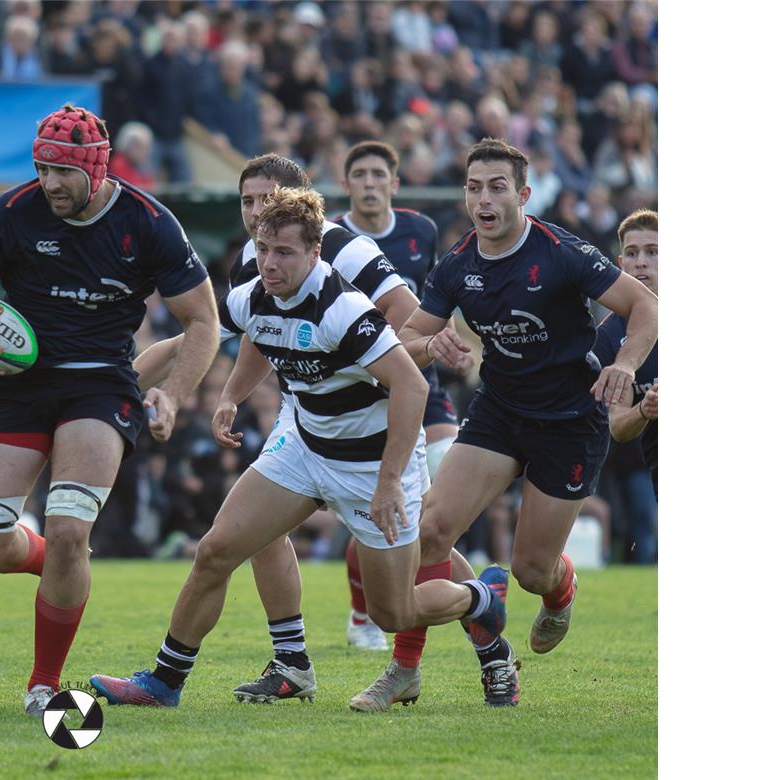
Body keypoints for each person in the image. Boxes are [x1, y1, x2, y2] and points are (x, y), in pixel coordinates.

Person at [88, 187, 508, 708]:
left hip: (370, 465)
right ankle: (164, 681)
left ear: (315, 252)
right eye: (263, 249)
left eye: (283, 252)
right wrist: (146, 391)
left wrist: (386, 484)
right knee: (216, 550)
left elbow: (413, 386)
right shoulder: (251, 293)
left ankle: (481, 600)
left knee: (393, 614)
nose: (268, 262)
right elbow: (214, 337)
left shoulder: (344, 309)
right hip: (306, 450)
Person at [0, 105, 219, 716]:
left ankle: (43, 682)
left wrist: (174, 393)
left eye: (62, 171)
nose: (50, 183)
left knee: (67, 527)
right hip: (19, 382)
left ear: (96, 168)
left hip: (100, 387)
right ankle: (56, 561)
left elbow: (202, 321)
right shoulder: (10, 214)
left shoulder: (149, 222)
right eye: (40, 169)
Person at [354, 138, 658, 710]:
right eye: (474, 187)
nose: (483, 199)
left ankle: (560, 587)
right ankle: (404, 670)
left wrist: (624, 363)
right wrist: (429, 343)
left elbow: (646, 307)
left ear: (523, 194)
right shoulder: (456, 265)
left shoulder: (562, 251)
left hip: (570, 421)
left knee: (530, 571)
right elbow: (402, 342)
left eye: (497, 187)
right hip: (499, 413)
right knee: (432, 529)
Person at [336, 140, 462, 651]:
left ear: (395, 183)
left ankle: (445, 605)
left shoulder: (420, 231)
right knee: (375, 508)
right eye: (359, 174)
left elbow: (430, 304)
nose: (369, 183)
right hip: (359, 391)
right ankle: (364, 613)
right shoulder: (332, 239)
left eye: (377, 174)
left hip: (420, 383)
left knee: (439, 500)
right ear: (345, 185)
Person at [595, 210, 658, 494]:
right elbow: (618, 426)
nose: (641, 262)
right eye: (631, 254)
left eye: (653, 251)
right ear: (620, 264)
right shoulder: (607, 337)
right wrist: (645, 409)